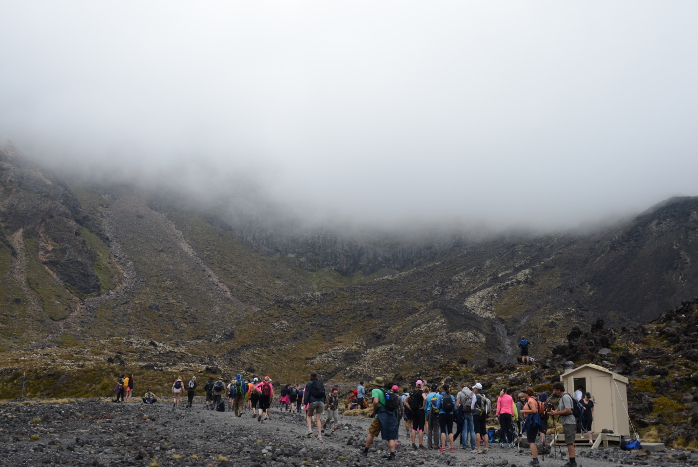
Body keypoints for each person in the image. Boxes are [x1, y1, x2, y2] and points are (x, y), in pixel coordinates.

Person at [361, 377, 398, 461]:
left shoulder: (375, 391)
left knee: (372, 432)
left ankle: (365, 450)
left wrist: (374, 411)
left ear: (375, 384)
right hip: (390, 414)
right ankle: (392, 454)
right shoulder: (387, 391)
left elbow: (376, 401)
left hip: (380, 415)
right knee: (390, 435)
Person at [549, 382, 578, 467]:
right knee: (568, 441)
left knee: (569, 442)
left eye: (555, 390)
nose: (554, 392)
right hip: (566, 422)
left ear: (559, 390)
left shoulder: (565, 397)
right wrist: (554, 412)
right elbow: (559, 408)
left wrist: (556, 413)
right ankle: (571, 461)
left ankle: (573, 462)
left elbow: (568, 410)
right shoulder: (562, 398)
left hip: (569, 422)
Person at [403, 380, 426, 450]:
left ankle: (413, 443)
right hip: (420, 411)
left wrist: (409, 407)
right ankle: (420, 444)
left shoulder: (412, 392)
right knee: (421, 428)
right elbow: (425, 398)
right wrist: (423, 406)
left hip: (413, 411)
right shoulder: (421, 392)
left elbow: (404, 400)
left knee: (414, 427)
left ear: (416, 384)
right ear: (421, 385)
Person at [521, 387, 541, 465]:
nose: (524, 395)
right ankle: (535, 458)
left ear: (527, 394)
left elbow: (534, 410)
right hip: (534, 421)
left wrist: (523, 411)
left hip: (532, 421)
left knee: (531, 440)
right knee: (532, 440)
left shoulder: (530, 400)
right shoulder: (534, 399)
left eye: (524, 393)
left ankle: (535, 459)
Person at [304, 371, 325, 439]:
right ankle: (319, 435)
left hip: (313, 401)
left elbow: (307, 394)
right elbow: (324, 393)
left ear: (310, 376)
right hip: (321, 402)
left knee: (309, 415)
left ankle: (310, 429)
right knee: (318, 419)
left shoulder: (309, 383)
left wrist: (305, 403)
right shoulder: (320, 383)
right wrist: (323, 401)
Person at [437, 384, 456, 452]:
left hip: (442, 414)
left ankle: (443, 447)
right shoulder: (452, 397)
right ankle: (452, 447)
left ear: (443, 389)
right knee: (450, 431)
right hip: (450, 414)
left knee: (443, 430)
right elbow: (455, 407)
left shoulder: (440, 396)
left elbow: (438, 406)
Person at [457, 384, 476, 451]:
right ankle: (473, 445)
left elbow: (457, 404)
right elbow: (474, 404)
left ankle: (464, 445)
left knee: (464, 429)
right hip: (471, 413)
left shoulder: (460, 393)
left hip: (464, 413)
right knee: (472, 430)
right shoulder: (472, 393)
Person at [471, 382, 489, 453]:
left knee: (477, 431)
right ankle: (486, 448)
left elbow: (472, 406)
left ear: (476, 389)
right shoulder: (485, 395)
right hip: (484, 414)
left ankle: (477, 448)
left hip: (477, 414)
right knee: (484, 431)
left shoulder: (475, 396)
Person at [425, 383, 441, 450]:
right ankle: (436, 445)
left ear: (430, 389)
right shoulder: (439, 395)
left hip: (429, 411)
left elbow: (426, 406)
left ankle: (429, 445)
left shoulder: (428, 396)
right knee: (436, 428)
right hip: (436, 412)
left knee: (430, 428)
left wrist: (425, 415)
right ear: (436, 389)